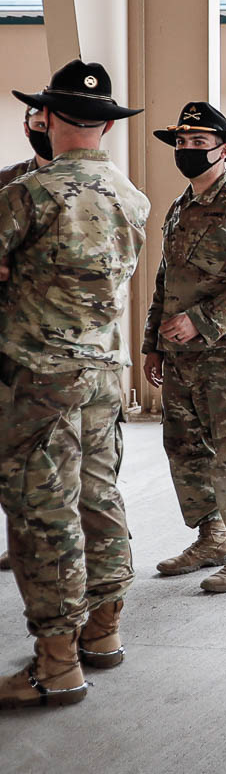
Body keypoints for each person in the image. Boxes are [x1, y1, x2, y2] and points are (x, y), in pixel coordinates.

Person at [0, 61, 147, 710]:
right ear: (104, 125)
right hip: (103, 373)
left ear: (50, 119)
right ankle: (103, 632)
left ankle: (56, 665)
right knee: (98, 494)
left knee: (43, 512)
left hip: (39, 377)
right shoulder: (130, 195)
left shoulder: (28, 195)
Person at [143, 101, 226, 593]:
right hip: (181, 358)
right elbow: (165, 279)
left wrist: (200, 321)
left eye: (198, 143)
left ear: (224, 150)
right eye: (181, 142)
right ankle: (211, 538)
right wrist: (154, 343)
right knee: (185, 448)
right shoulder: (181, 206)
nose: (187, 150)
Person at [0, 103, 52, 576]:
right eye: (37, 125)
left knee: (72, 453)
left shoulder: (88, 187)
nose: (44, 131)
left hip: (64, 346)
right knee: (13, 450)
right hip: (10, 337)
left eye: (49, 124)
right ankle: (22, 535)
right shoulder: (8, 184)